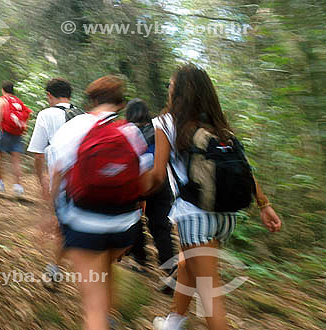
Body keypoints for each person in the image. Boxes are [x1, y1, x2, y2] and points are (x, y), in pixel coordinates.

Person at [142, 64, 282, 330]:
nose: (169, 93)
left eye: (171, 88)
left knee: (209, 292)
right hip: (225, 216)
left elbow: (158, 175)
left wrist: (132, 193)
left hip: (194, 214)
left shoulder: (166, 122)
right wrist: (265, 205)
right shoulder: (219, 126)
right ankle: (174, 322)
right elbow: (245, 168)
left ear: (179, 93)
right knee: (187, 264)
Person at [50, 76, 148, 330]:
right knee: (106, 268)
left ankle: (100, 318)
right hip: (125, 225)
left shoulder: (74, 127)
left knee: (92, 305)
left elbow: (57, 176)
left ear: (91, 100)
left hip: (85, 223)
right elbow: (143, 178)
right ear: (121, 103)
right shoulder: (130, 130)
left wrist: (50, 212)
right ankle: (111, 315)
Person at [27, 77, 84, 282]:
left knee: (62, 224)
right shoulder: (83, 114)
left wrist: (40, 179)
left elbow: (38, 153)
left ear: (49, 95)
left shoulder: (46, 114)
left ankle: (55, 269)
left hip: (60, 179)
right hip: (85, 178)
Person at [125, 99, 177, 285]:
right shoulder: (158, 129)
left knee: (134, 221)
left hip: (136, 183)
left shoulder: (127, 131)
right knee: (161, 227)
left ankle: (140, 261)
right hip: (161, 183)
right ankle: (170, 269)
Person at [0, 81, 32, 195]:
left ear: (3, 90)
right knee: (16, 161)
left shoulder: (1, 100)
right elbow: (26, 116)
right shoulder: (18, 102)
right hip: (17, 134)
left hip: (4, 132)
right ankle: (18, 187)